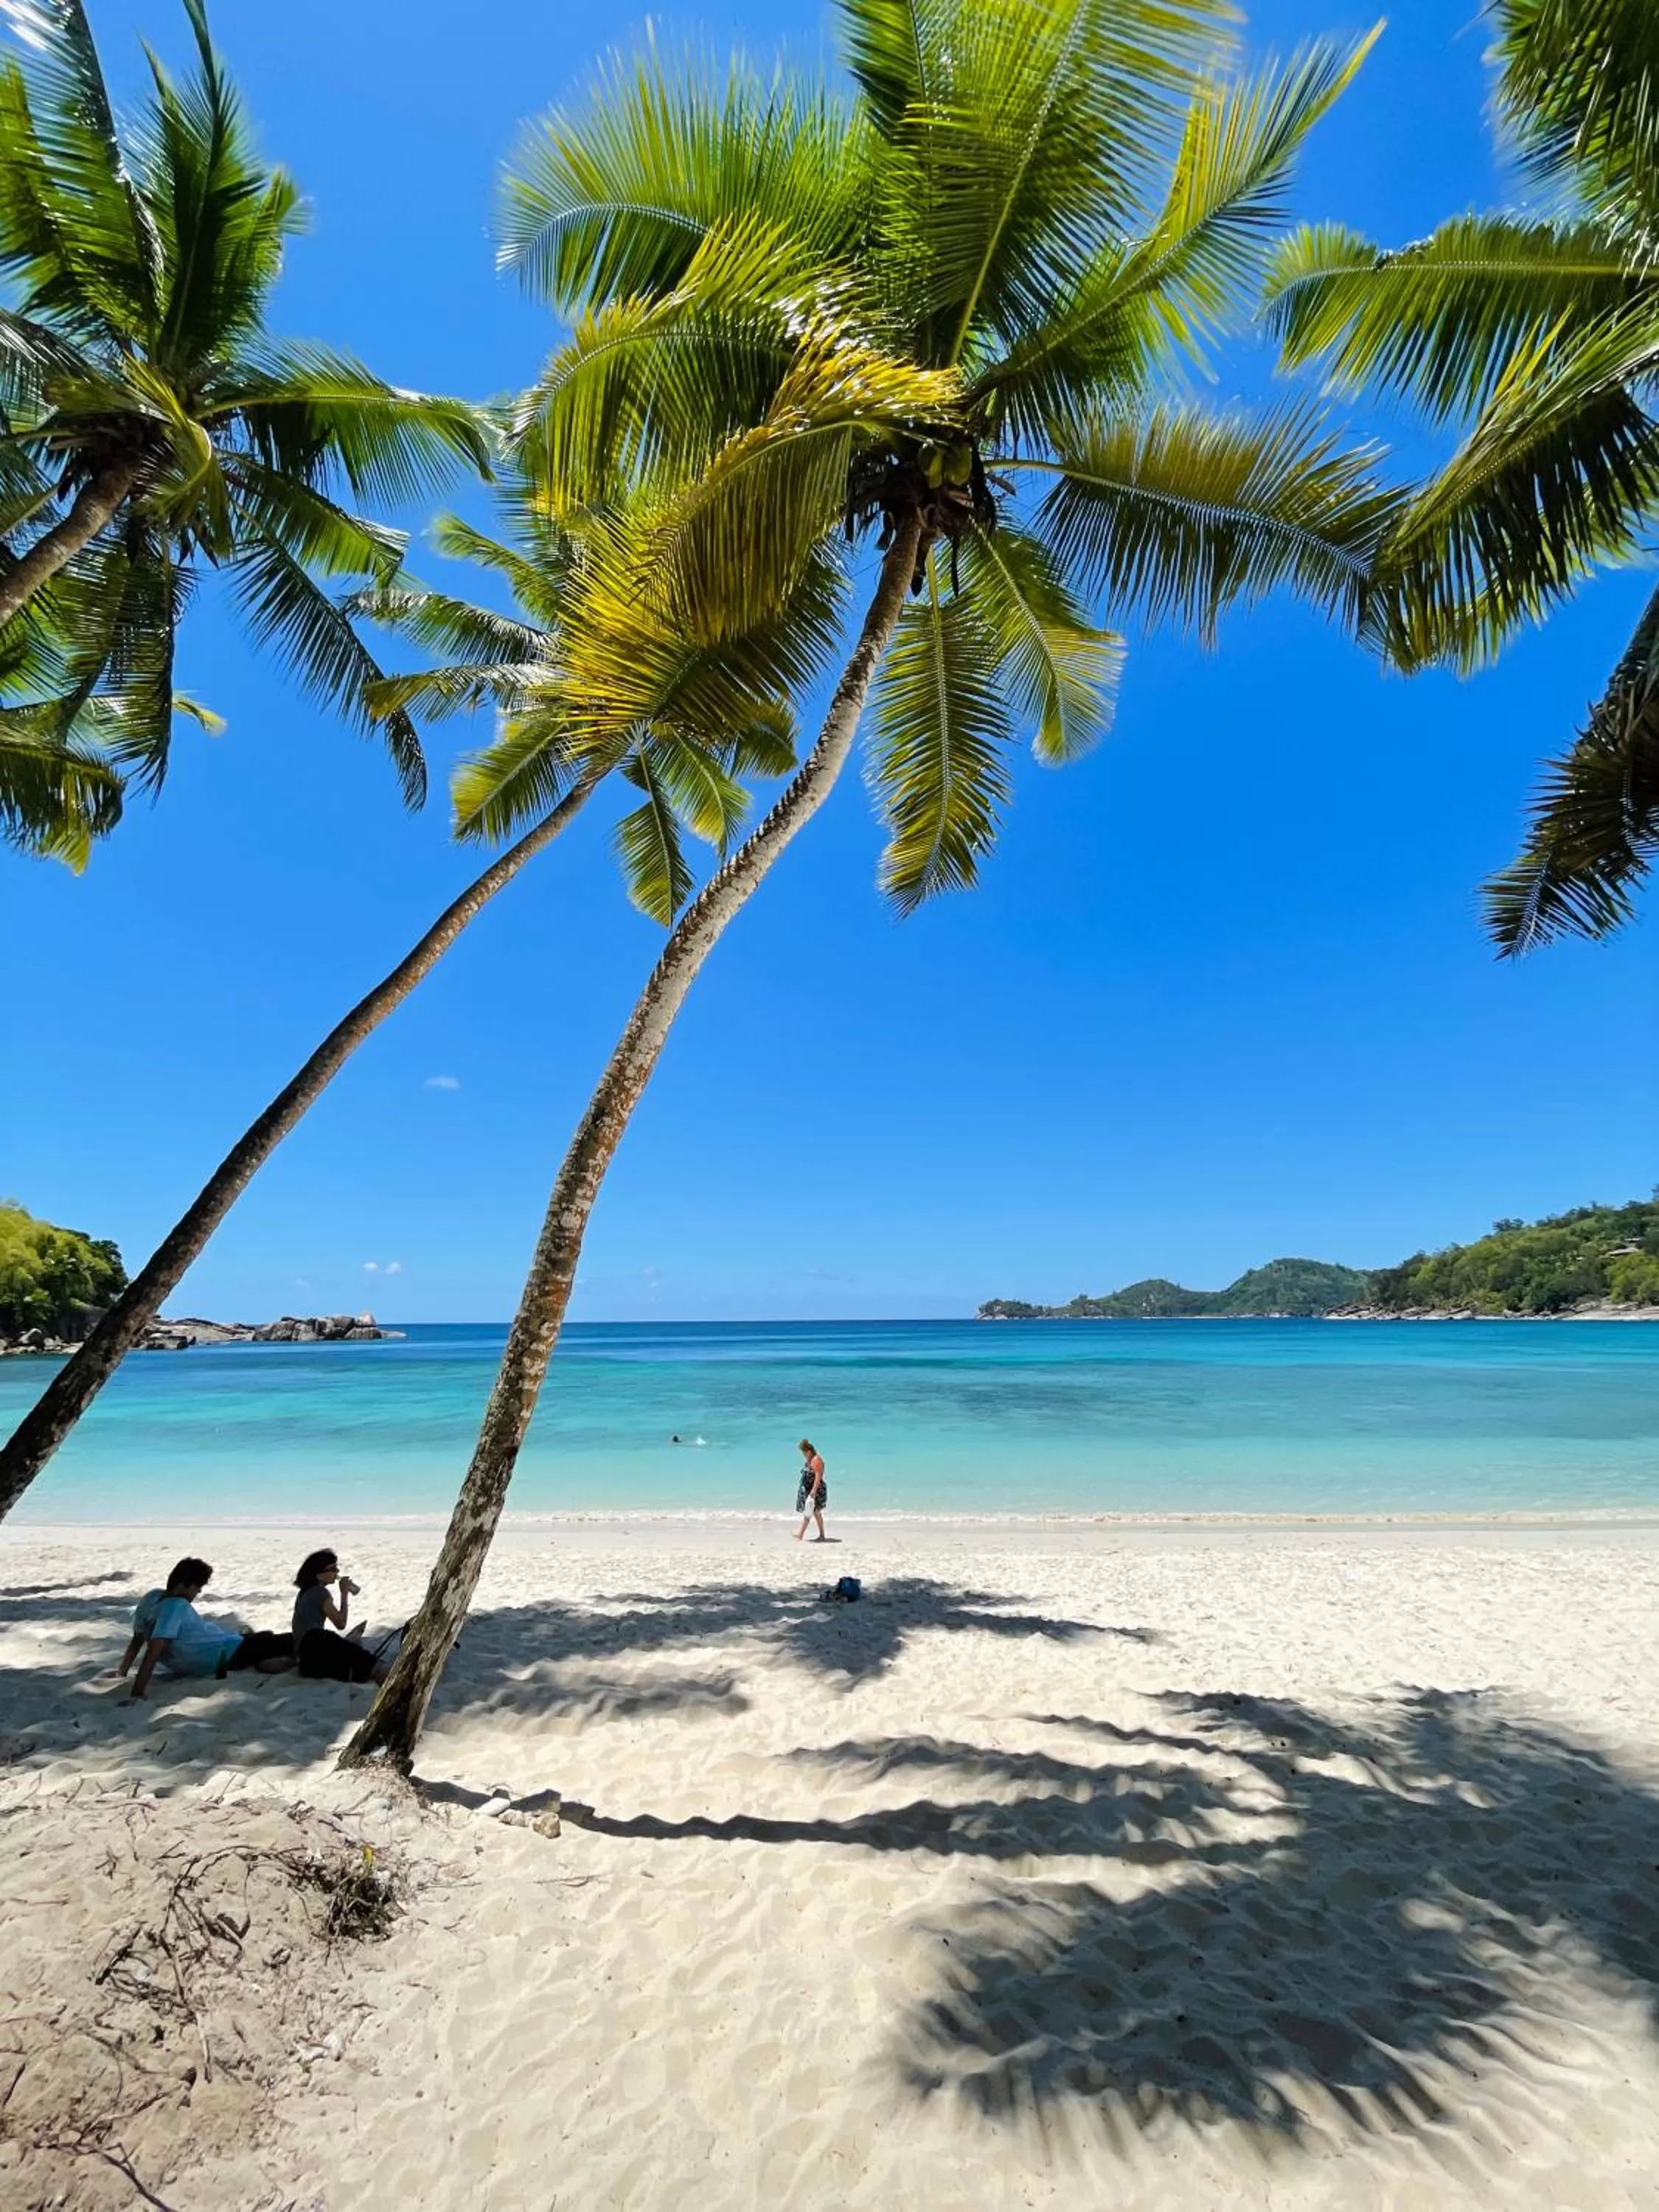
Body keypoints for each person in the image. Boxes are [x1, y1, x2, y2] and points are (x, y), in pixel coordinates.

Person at [124, 1558, 293, 1700]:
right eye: (197, 1587)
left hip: (214, 1650)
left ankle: (265, 1659)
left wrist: (122, 1671)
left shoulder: (151, 1598)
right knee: (284, 1641)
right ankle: (269, 1661)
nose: (198, 1592)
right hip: (224, 1654)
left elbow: (137, 1639)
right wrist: (137, 1693)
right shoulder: (176, 1605)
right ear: (183, 1585)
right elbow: (154, 1650)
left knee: (258, 1640)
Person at [291, 1548, 391, 1684]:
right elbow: (341, 1623)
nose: (337, 1571)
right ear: (319, 1575)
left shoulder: (304, 1592)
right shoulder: (320, 1593)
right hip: (315, 1643)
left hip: (305, 1657)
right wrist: (344, 1593)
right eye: (332, 1568)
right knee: (360, 1659)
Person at [793, 1437, 828, 1542]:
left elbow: (818, 1476)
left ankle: (800, 1534)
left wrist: (813, 1491)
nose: (803, 1455)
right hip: (810, 1490)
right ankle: (822, 1535)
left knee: (809, 1512)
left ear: (809, 1451)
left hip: (815, 1491)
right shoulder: (811, 1459)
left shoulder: (816, 1460)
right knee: (816, 1513)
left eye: (804, 1453)